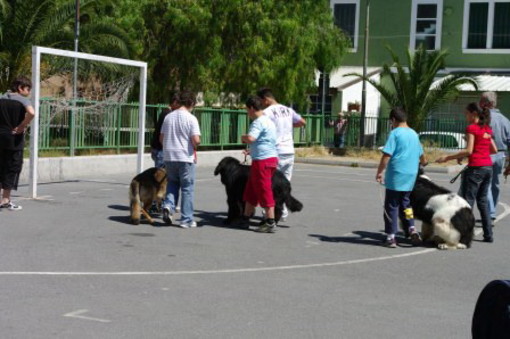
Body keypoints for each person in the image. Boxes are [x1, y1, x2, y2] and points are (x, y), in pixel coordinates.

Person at [437, 103, 497, 243]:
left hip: (476, 168)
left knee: (467, 202)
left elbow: (469, 150)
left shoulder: (471, 128)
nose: (465, 116)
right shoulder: (486, 129)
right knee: (482, 202)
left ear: (473, 113)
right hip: (488, 167)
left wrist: (447, 157)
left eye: (466, 113)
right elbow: (493, 149)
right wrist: (479, 152)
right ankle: (488, 235)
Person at [376, 107, 426, 248]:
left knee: (391, 205)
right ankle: (411, 228)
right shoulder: (414, 134)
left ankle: (391, 236)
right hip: (411, 174)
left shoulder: (395, 133)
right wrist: (424, 163)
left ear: (393, 120)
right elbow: (421, 154)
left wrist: (380, 171)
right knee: (406, 203)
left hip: (396, 174)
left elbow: (387, 155)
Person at [256, 88, 305, 221]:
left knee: (270, 183)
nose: (260, 104)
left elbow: (262, 128)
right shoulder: (288, 110)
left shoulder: (267, 112)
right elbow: (302, 122)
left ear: (265, 99)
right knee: (285, 183)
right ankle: (282, 213)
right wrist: (289, 125)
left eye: (261, 101)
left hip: (275, 151)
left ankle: (271, 213)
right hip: (289, 150)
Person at [159, 91, 201, 228]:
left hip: (169, 155)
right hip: (185, 156)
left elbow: (161, 138)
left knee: (172, 183)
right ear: (191, 103)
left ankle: (168, 206)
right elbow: (196, 140)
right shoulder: (191, 118)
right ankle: (186, 219)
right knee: (187, 188)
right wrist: (195, 145)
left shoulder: (168, 117)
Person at [239, 96, 279, 233]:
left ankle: (270, 222)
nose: (247, 113)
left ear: (251, 108)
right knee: (251, 190)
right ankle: (245, 218)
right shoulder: (268, 121)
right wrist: (253, 151)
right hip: (269, 158)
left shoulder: (258, 122)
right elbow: (266, 141)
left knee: (264, 190)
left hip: (263, 161)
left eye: (246, 110)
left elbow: (251, 138)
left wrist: (243, 137)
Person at [0, 76, 35, 211]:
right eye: (28, 89)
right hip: (13, 138)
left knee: (1, 166)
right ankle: (5, 200)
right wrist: (22, 126)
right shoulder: (22, 100)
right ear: (20, 88)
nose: (29, 92)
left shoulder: (2, 97)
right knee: (12, 167)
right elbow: (32, 113)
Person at [479, 92, 510, 220]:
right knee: (494, 183)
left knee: (485, 183)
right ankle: (492, 210)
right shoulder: (505, 119)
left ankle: (490, 212)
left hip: (487, 153)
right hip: (501, 154)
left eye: (481, 101)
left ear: (486, 103)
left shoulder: (484, 117)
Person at [150, 92, 180, 168]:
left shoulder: (165, 112)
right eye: (179, 104)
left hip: (157, 148)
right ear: (175, 102)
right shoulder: (168, 114)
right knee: (160, 176)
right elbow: (163, 135)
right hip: (161, 150)